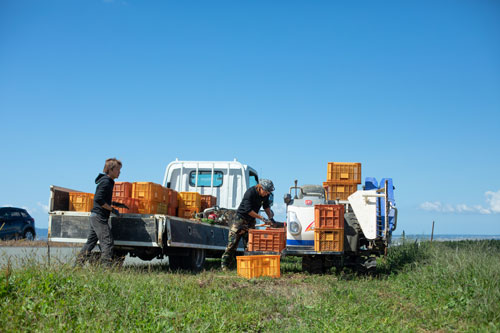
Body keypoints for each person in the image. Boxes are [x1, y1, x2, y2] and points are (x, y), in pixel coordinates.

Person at [76, 158, 125, 267]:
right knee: (107, 242)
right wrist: (112, 210)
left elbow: (104, 199)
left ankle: (77, 266)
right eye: (118, 169)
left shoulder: (108, 182)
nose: (119, 172)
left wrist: (116, 205)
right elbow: (98, 199)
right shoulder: (106, 182)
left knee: (90, 243)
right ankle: (105, 269)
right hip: (99, 217)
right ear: (111, 170)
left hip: (96, 216)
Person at [221, 179, 275, 271]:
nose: (266, 194)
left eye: (268, 192)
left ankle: (248, 266)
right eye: (266, 191)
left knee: (250, 244)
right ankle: (225, 266)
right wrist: (262, 218)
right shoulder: (250, 193)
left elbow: (266, 207)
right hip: (239, 220)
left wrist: (270, 218)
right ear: (260, 188)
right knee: (233, 243)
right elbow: (248, 210)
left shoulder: (266, 195)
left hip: (251, 221)